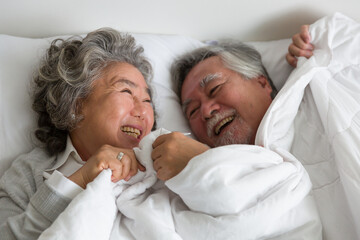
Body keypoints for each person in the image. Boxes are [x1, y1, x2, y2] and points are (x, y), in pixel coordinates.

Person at [152, 22, 359, 239]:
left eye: (214, 88)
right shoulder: (193, 184)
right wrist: (204, 168)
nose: (205, 110)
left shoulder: (316, 91)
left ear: (261, 82)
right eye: (193, 111)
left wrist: (322, 48)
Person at [0, 28, 155, 239]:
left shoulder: (162, 161)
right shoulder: (27, 174)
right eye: (126, 91)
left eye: (147, 100)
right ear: (76, 103)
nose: (143, 110)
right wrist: (79, 179)